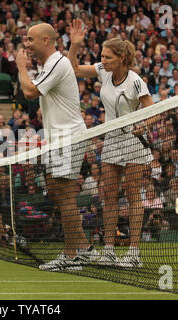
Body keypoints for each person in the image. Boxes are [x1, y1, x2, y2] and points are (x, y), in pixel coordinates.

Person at [68, 19, 155, 268]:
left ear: (120, 58)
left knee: (132, 194)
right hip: (112, 140)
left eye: (107, 57)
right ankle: (109, 249)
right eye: (102, 57)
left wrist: (144, 125)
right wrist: (74, 45)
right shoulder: (103, 71)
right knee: (108, 195)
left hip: (134, 141)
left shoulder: (136, 81)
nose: (102, 60)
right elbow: (73, 68)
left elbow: (152, 109)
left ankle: (134, 253)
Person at [16, 23, 100, 272]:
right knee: (55, 190)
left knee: (64, 195)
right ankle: (83, 247)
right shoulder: (50, 64)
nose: (27, 44)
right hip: (58, 139)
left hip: (68, 138)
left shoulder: (56, 62)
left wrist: (21, 67)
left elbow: (30, 91)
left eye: (30, 40)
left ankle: (71, 256)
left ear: (45, 40)